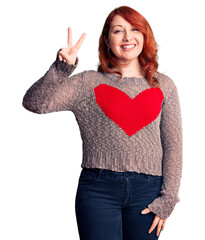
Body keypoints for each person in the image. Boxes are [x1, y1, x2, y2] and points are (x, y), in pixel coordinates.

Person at [22, 5, 183, 240]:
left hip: (148, 192)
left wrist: (168, 198)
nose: (127, 36)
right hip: (98, 190)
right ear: (107, 40)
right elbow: (34, 103)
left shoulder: (163, 85)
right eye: (118, 31)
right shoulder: (88, 83)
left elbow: (173, 146)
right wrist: (61, 68)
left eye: (135, 29)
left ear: (144, 36)